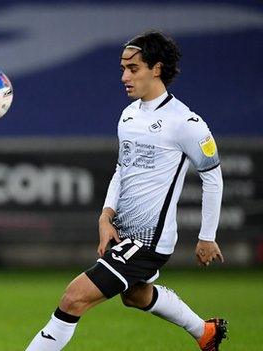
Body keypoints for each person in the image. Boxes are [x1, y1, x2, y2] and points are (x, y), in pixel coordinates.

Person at [25, 30, 227, 351]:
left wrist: (207, 236)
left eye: (132, 69)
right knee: (136, 296)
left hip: (149, 241)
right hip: (123, 232)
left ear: (156, 69)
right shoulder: (129, 114)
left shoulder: (186, 123)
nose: (124, 77)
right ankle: (205, 332)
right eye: (122, 68)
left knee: (73, 298)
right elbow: (122, 169)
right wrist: (106, 216)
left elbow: (212, 176)